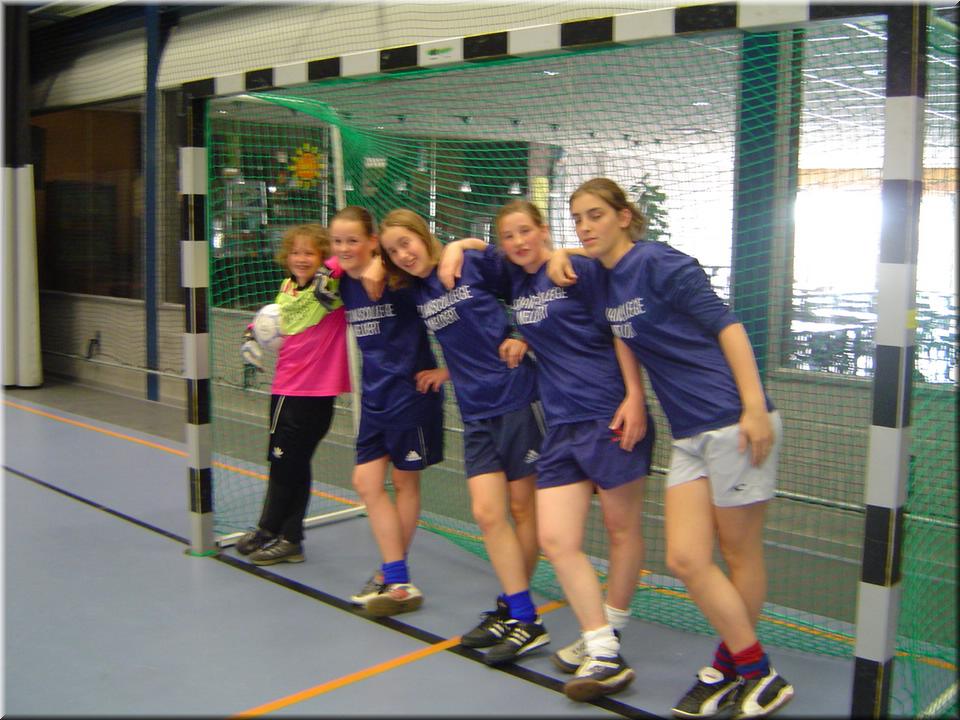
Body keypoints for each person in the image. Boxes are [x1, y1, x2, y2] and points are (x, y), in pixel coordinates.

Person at [547, 177, 793, 718]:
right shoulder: (604, 280)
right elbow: (621, 333)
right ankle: (750, 669)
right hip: (687, 434)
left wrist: (753, 407)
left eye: (595, 215)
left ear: (624, 216)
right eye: (578, 219)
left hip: (730, 420)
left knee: (739, 553)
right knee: (684, 558)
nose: (585, 227)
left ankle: (740, 670)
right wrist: (563, 251)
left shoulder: (659, 262)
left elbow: (728, 326)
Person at [438, 199, 655, 702]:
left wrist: (634, 395)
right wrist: (457, 245)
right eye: (508, 236)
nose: (518, 242)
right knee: (556, 539)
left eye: (525, 231)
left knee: (622, 530)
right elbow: (478, 257)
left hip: (608, 414)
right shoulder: (517, 281)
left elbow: (621, 328)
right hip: (559, 424)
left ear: (543, 230)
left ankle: (607, 639)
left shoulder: (577, 269)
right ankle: (601, 645)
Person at [377, 208, 549, 667]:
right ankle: (518, 610)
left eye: (406, 243)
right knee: (487, 513)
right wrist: (446, 372)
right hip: (474, 410)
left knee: (522, 509)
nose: (403, 254)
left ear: (423, 235)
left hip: (516, 397)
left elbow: (531, 280)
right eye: (393, 251)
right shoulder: (416, 290)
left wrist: (525, 335)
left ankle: (519, 614)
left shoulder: (469, 264)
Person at [329, 205, 447, 617]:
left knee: (403, 482)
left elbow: (453, 312)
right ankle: (395, 574)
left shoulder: (400, 278)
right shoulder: (343, 283)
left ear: (372, 242)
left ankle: (394, 577)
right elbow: (319, 261)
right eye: (338, 241)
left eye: (353, 240)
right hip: (375, 399)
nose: (344, 248)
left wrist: (448, 370)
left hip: (411, 395)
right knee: (365, 482)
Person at [236, 223, 350, 566]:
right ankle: (274, 531)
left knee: (289, 462)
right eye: (295, 252)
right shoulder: (288, 286)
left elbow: (348, 256)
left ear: (322, 256)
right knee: (285, 461)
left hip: (312, 392)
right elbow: (276, 317)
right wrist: (251, 334)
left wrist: (328, 266)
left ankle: (287, 537)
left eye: (309, 253)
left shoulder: (330, 286)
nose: (301, 259)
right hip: (285, 386)